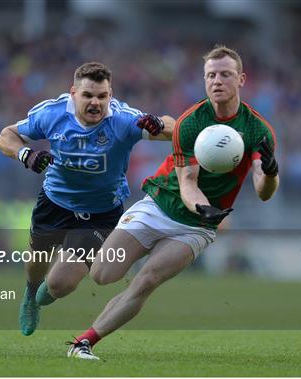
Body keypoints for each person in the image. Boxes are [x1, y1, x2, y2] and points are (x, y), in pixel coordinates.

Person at [63, 46, 279, 360]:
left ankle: (83, 342)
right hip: (161, 205)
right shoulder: (189, 123)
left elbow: (263, 189)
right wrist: (203, 207)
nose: (217, 81)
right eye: (210, 75)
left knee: (146, 280)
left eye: (225, 74)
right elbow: (187, 183)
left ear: (241, 79)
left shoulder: (258, 129)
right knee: (102, 275)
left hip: (197, 226)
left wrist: (271, 172)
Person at [0, 61, 174, 336]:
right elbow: (6, 136)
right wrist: (26, 154)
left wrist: (160, 123)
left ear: (110, 96)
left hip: (101, 212)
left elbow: (175, 130)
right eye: (88, 95)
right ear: (73, 93)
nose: (96, 103)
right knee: (35, 265)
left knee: (60, 285)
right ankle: (30, 295)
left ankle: (45, 291)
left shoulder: (123, 119)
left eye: (102, 96)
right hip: (54, 202)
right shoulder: (52, 113)